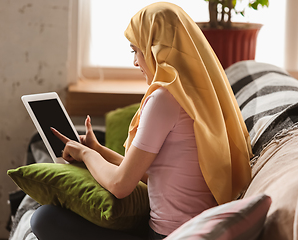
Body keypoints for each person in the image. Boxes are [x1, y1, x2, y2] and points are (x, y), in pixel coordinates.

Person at [31, 2, 253, 240]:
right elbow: (147, 175)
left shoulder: (164, 98)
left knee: (44, 219)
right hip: (187, 227)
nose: (135, 62)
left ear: (156, 49)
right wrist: (98, 150)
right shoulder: (195, 95)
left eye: (136, 50)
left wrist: (86, 155)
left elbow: (120, 185)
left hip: (168, 235)